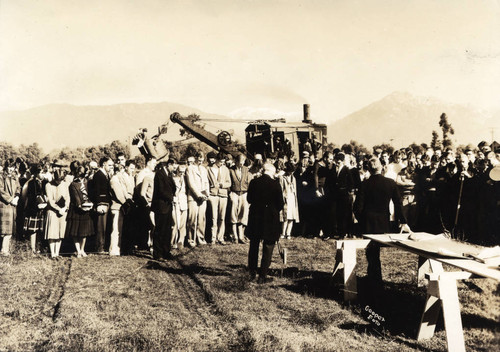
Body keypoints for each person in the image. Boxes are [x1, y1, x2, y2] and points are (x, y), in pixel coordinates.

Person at [354, 157, 410, 284]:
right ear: (381, 168)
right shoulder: (390, 183)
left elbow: (357, 208)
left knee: (372, 253)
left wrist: (363, 221)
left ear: (368, 169)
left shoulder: (364, 184)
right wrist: (403, 221)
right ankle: (374, 277)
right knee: (374, 253)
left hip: (368, 224)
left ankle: (375, 279)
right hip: (383, 223)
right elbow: (398, 203)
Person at [246, 163, 284, 284]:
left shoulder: (254, 182)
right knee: (268, 246)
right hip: (270, 219)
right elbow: (280, 204)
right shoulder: (275, 184)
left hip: (255, 218)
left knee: (254, 245)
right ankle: (262, 275)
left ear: (263, 170)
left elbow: (249, 199)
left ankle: (251, 273)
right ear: (272, 172)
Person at [151, 159, 177, 260]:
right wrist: (171, 198)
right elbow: (161, 190)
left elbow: (173, 187)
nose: (174, 169)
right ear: (169, 164)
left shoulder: (169, 175)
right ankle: (158, 253)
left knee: (167, 230)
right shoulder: (159, 174)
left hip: (168, 206)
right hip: (161, 206)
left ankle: (166, 251)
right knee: (160, 230)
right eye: (173, 167)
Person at [66, 166, 94, 258]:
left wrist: (90, 204)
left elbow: (90, 194)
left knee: (84, 231)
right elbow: (76, 198)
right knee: (76, 232)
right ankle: (78, 250)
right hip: (76, 210)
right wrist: (80, 205)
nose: (81, 178)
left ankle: (82, 249)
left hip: (87, 209)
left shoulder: (87, 182)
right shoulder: (73, 184)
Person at [89, 157, 113, 253]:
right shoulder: (99, 175)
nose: (111, 167)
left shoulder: (105, 174)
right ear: (104, 164)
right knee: (100, 227)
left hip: (105, 203)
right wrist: (99, 204)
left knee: (104, 226)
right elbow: (97, 191)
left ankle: (102, 246)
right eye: (110, 165)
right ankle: (99, 247)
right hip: (101, 204)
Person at [206, 152, 231, 245]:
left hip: (223, 195)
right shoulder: (209, 169)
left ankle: (220, 237)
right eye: (220, 162)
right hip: (213, 195)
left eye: (223, 162)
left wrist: (222, 185)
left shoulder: (226, 169)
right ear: (216, 160)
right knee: (213, 217)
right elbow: (206, 182)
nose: (222, 164)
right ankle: (213, 238)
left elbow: (229, 183)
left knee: (222, 217)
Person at [186, 152, 209, 247]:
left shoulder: (204, 169)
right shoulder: (189, 168)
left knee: (201, 219)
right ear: (195, 158)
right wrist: (198, 195)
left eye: (202, 160)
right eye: (199, 160)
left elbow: (206, 182)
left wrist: (207, 194)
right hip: (193, 197)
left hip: (203, 197)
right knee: (192, 219)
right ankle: (191, 240)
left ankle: (200, 238)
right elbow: (191, 183)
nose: (200, 161)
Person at [44, 169, 69, 258]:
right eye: (58, 180)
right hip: (52, 211)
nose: (59, 182)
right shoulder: (48, 185)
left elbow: (67, 198)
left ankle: (57, 253)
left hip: (62, 211)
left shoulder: (65, 185)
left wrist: (65, 207)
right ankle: (52, 253)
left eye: (61, 180)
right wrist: (58, 209)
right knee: (52, 233)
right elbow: (50, 200)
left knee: (59, 233)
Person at [24, 164, 48, 254]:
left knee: (40, 229)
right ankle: (32, 248)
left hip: (42, 208)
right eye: (40, 172)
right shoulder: (31, 183)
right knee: (33, 230)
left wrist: (45, 202)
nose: (42, 174)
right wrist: (37, 204)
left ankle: (39, 247)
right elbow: (30, 197)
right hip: (34, 209)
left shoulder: (45, 182)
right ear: (35, 173)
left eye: (42, 172)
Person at [229, 154, 252, 243]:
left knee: (243, 214)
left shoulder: (246, 170)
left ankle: (241, 236)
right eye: (239, 163)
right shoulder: (231, 170)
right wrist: (230, 192)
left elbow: (250, 183)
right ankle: (235, 236)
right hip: (234, 193)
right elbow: (228, 182)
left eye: (242, 163)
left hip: (244, 194)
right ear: (236, 161)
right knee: (233, 214)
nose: (241, 164)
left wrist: (249, 195)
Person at [0, 159, 20, 256]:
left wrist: (17, 197)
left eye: (13, 167)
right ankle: (4, 250)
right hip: (4, 205)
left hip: (12, 205)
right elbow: (1, 191)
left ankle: (5, 249)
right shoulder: (1, 176)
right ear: (6, 166)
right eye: (9, 167)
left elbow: (18, 188)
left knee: (10, 229)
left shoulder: (15, 177)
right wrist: (10, 199)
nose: (11, 169)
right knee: (4, 229)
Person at [279, 162, 299, 239]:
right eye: (290, 171)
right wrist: (283, 197)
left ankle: (288, 233)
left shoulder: (293, 178)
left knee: (291, 216)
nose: (291, 173)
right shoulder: (282, 178)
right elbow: (281, 189)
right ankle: (283, 233)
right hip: (286, 198)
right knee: (285, 216)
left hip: (292, 198)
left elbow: (295, 190)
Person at [172, 164, 188, 248]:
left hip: (184, 202)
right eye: (180, 172)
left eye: (183, 172)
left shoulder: (186, 179)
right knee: (176, 223)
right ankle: (173, 241)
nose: (182, 174)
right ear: (177, 171)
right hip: (176, 202)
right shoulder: (173, 179)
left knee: (183, 223)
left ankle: (181, 241)